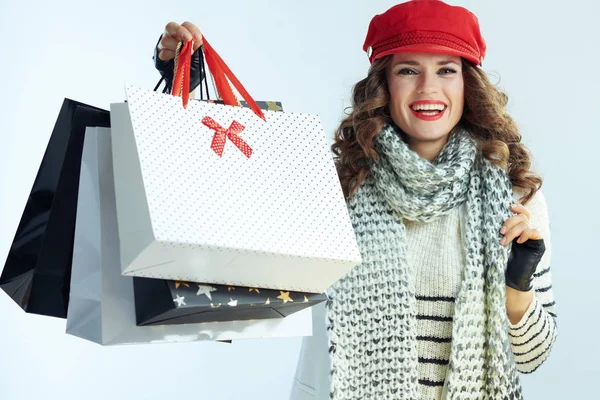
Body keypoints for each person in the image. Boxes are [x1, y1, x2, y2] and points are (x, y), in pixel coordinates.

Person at [153, 1, 557, 399]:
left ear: (467, 85)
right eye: (408, 70)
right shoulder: (336, 184)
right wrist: (183, 84)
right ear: (384, 84)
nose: (428, 87)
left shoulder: (515, 196)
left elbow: (534, 355)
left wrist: (517, 284)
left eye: (446, 70)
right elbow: (230, 218)